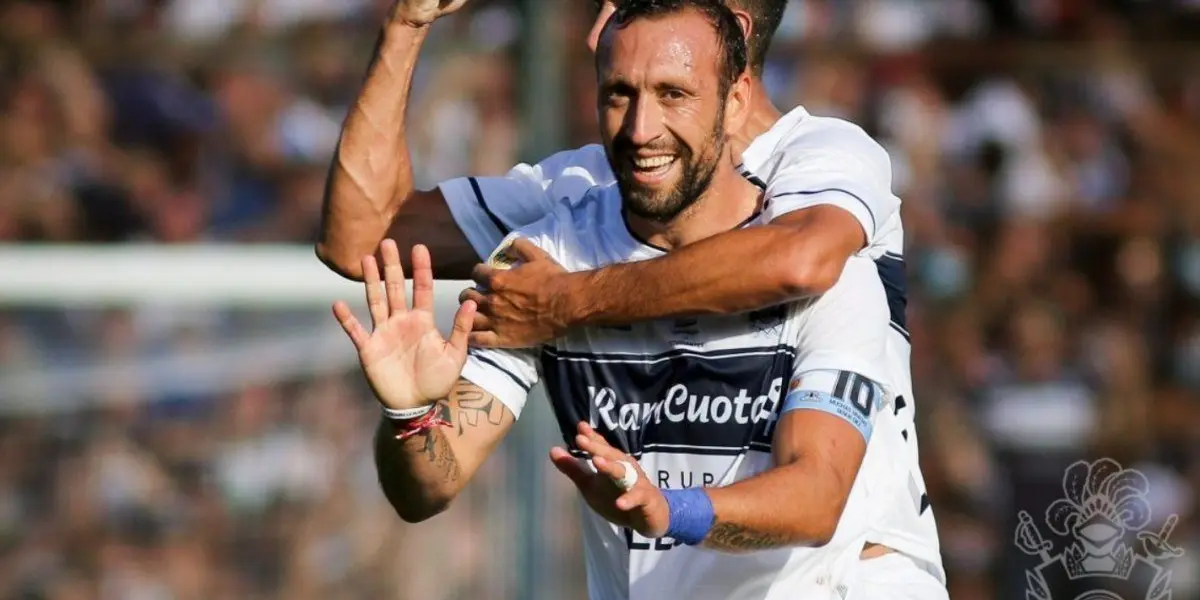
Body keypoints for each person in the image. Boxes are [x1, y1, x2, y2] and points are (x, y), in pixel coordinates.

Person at [318, 0, 944, 596]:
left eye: (672, 91)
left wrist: (565, 305)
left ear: (736, 85)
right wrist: (410, 417)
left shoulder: (825, 180)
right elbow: (366, 240)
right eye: (619, 92)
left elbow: (799, 263)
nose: (643, 126)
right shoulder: (560, 223)